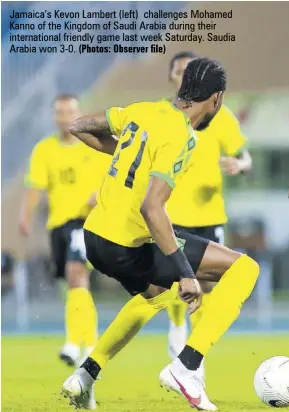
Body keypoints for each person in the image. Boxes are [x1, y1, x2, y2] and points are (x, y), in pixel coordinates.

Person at [60, 58, 260, 411]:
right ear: (216, 99)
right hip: (128, 243)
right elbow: (152, 208)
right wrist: (186, 274)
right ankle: (187, 366)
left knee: (154, 296)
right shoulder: (183, 136)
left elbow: (79, 126)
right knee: (246, 269)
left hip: (95, 238)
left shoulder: (142, 110)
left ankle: (85, 375)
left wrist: (124, 151)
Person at [165, 52, 253, 374]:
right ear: (173, 78)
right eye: (180, 72)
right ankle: (177, 331)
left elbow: (246, 157)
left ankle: (193, 355)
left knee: (210, 286)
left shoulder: (221, 115)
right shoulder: (164, 116)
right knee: (174, 279)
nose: (185, 78)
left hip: (210, 214)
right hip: (170, 212)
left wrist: (239, 165)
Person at [19, 95, 109, 367]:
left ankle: (73, 342)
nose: (65, 117)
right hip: (58, 226)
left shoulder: (94, 145)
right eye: (60, 112)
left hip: (87, 222)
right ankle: (89, 343)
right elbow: (35, 186)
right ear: (54, 116)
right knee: (74, 284)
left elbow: (117, 177)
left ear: (79, 113)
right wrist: (25, 216)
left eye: (70, 111)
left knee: (75, 273)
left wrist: (102, 195)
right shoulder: (45, 150)